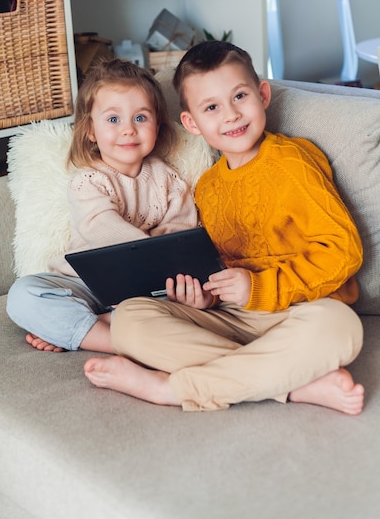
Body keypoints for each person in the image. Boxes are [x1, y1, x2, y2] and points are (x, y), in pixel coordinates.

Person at [83, 40, 365, 415]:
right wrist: (205, 297)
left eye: (240, 96)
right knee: (131, 320)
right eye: (212, 107)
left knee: (341, 328)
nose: (231, 115)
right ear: (192, 123)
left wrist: (260, 286)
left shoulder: (293, 163)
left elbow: (344, 249)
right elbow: (216, 267)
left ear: (262, 95)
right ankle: (294, 383)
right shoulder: (207, 188)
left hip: (299, 309)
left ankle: (172, 389)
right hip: (231, 317)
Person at [7, 58, 198, 353]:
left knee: (186, 300)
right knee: (23, 295)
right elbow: (100, 224)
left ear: (158, 126)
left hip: (143, 289)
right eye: (113, 119)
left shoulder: (170, 181)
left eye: (140, 118)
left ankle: (81, 328)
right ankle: (112, 337)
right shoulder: (88, 181)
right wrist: (149, 253)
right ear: (90, 130)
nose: (128, 130)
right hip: (82, 284)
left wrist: (162, 273)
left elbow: (177, 237)